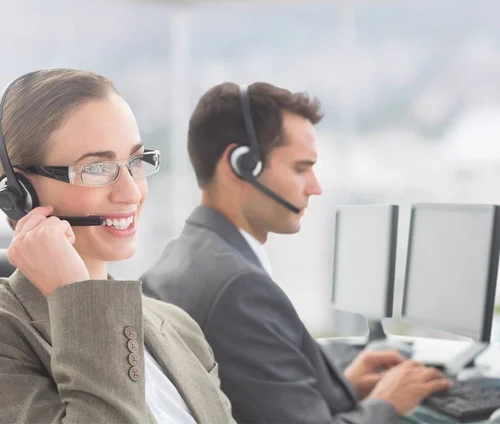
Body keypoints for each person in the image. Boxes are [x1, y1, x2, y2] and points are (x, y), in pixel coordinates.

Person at [0, 69, 235, 424]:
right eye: (97, 168)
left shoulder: (177, 326)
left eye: (136, 162)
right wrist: (78, 297)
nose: (132, 192)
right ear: (21, 193)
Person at [141, 82, 452, 423]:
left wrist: (342, 388)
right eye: (300, 168)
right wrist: (389, 402)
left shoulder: (181, 257)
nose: (315, 187)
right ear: (243, 165)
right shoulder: (239, 286)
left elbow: (254, 398)